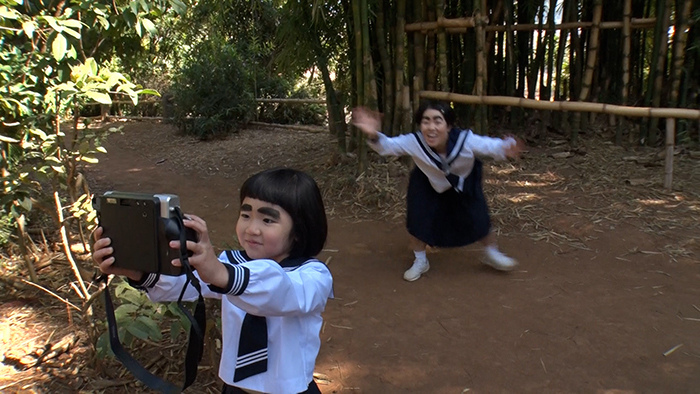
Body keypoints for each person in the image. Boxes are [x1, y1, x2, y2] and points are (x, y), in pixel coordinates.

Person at [92, 168, 333, 394]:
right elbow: (184, 284)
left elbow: (279, 292)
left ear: (299, 229)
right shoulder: (231, 263)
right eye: (245, 215)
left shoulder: (313, 276)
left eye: (267, 220)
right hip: (234, 389)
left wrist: (220, 274)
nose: (251, 229)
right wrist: (137, 272)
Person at [351, 101, 524, 282]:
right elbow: (387, 146)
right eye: (426, 121)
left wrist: (508, 146)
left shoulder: (465, 140)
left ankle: (491, 252)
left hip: (463, 181)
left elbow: (491, 146)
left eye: (437, 121)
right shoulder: (414, 141)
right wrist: (372, 133)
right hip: (428, 182)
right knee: (417, 219)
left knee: (478, 214)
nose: (431, 127)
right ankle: (420, 260)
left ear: (448, 126)